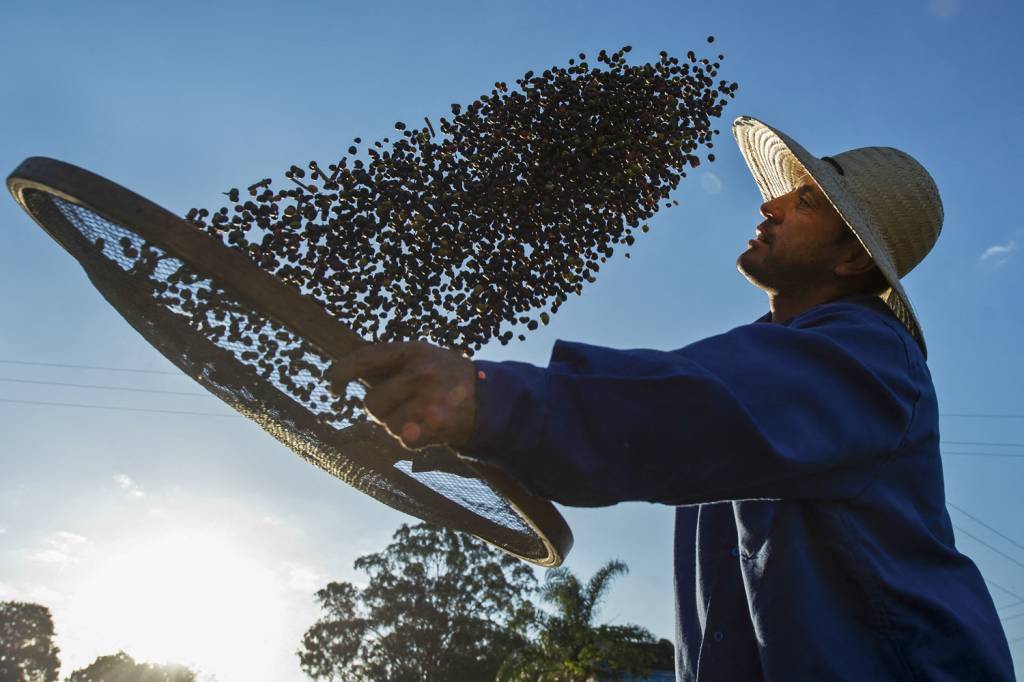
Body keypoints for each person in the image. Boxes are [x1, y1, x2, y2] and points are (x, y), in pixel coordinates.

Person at [327, 116, 1016, 680]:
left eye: (805, 201)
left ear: (853, 261)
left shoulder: (866, 355)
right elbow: (659, 432)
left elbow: (691, 411)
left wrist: (490, 404)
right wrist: (479, 431)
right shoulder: (753, 359)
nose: (769, 204)